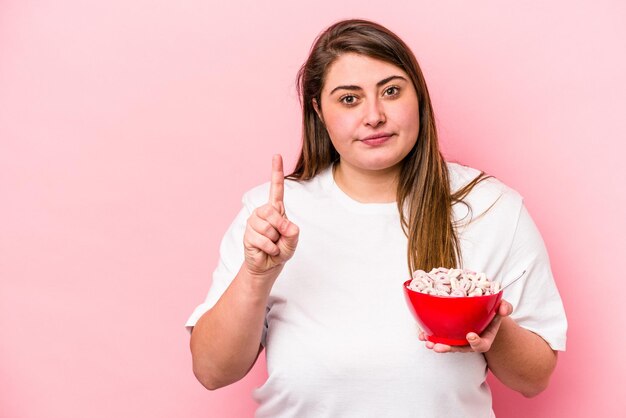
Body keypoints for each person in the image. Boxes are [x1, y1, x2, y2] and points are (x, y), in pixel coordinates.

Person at [186, 19, 567, 417]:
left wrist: (490, 327)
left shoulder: (491, 208)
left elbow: (534, 378)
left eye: (390, 91)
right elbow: (212, 371)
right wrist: (257, 275)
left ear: (417, 96)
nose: (374, 116)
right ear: (318, 110)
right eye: (349, 99)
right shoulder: (271, 219)